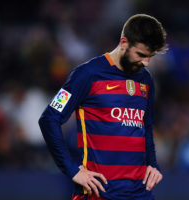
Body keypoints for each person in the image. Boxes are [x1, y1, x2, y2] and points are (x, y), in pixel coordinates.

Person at [39, 14, 167, 200]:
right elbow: (49, 118)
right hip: (98, 194)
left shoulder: (146, 79)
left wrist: (153, 164)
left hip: (140, 194)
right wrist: (72, 170)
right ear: (124, 42)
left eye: (150, 57)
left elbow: (145, 127)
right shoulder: (86, 74)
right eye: (141, 55)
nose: (146, 63)